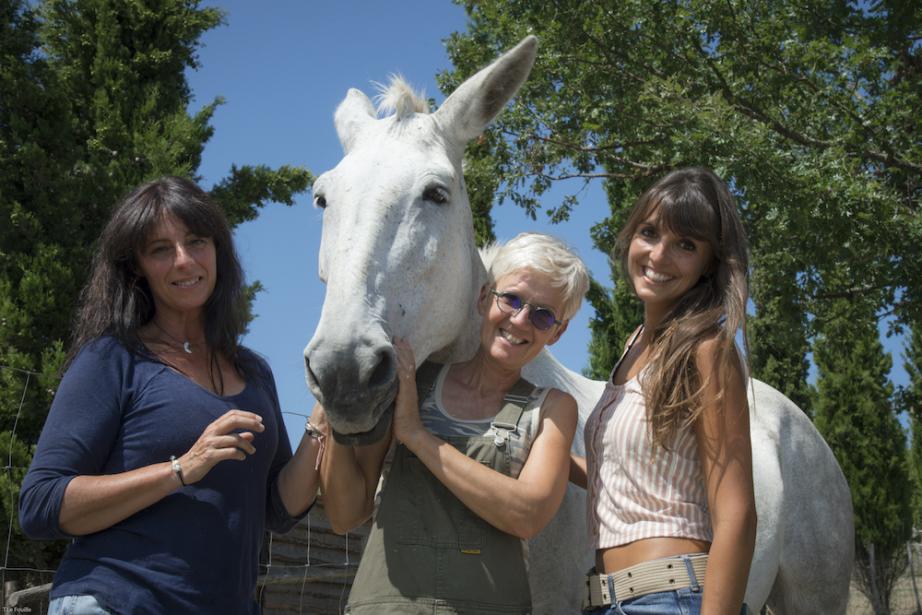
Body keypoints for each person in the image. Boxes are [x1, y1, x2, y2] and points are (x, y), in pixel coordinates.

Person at [19, 176, 322, 615]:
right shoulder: (113, 358)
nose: (183, 261)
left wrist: (322, 417)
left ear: (218, 250)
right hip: (117, 602)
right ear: (137, 267)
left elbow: (277, 509)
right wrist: (182, 468)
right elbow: (41, 503)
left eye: (196, 241)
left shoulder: (254, 371)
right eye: (161, 249)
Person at [311, 232, 589, 614]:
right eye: (511, 299)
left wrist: (415, 435)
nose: (521, 320)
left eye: (543, 315)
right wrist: (342, 409)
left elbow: (526, 514)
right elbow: (345, 515)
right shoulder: (412, 379)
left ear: (558, 332)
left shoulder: (553, 409)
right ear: (483, 298)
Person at [573, 167, 757, 615]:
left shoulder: (707, 349)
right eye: (649, 233)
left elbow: (737, 514)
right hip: (607, 600)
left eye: (685, 245)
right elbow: (629, 480)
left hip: (671, 598)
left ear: (709, 263)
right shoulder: (633, 346)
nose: (658, 255)